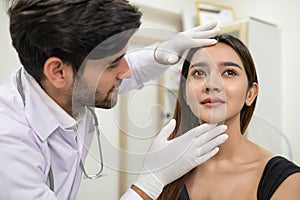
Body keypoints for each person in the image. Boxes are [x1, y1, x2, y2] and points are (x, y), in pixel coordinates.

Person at [0, 0, 229, 199]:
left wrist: (164, 51)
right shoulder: (10, 146)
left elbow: (131, 70)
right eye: (112, 64)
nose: (126, 72)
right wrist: (150, 182)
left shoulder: (66, 86)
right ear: (58, 72)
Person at [157, 34, 300, 200]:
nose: (211, 84)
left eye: (229, 72)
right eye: (199, 73)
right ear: (185, 94)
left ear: (250, 94)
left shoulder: (286, 181)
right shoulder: (166, 171)